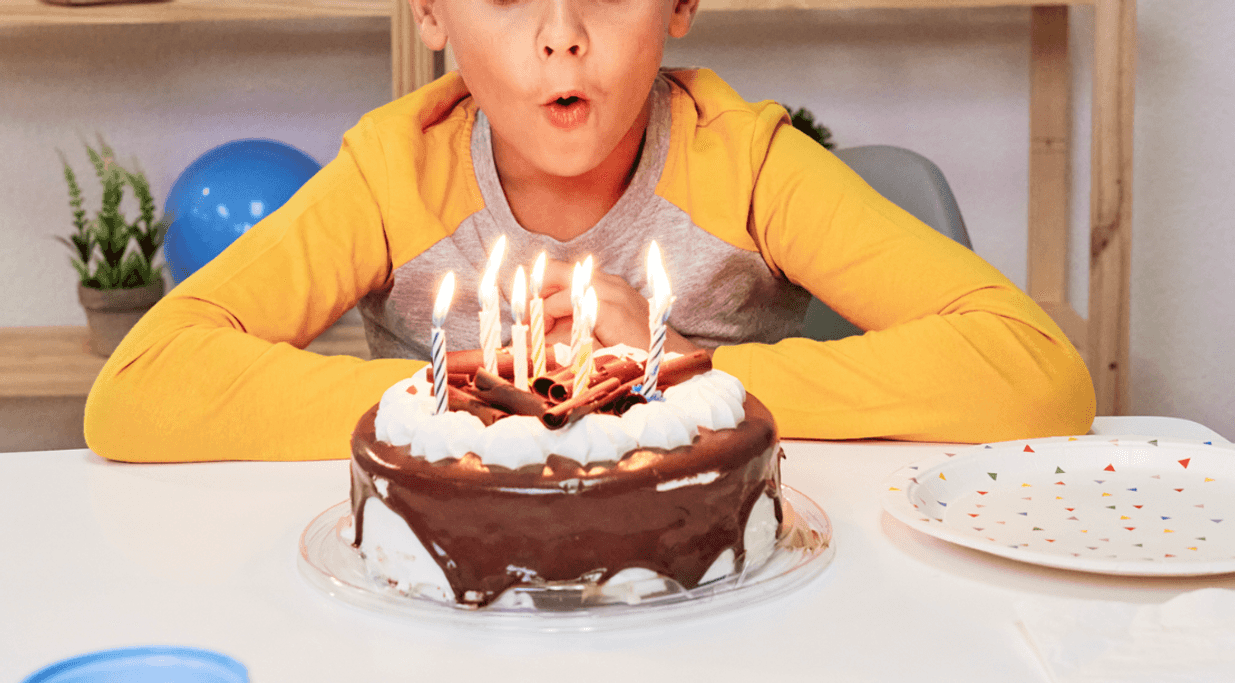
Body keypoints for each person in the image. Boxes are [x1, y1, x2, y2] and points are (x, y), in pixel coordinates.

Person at [84, 0, 1095, 463]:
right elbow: (140, 392)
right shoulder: (397, 173)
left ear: (683, 4)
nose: (561, 33)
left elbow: (1036, 371)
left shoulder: (745, 163)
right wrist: (475, 399)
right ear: (429, 10)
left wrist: (682, 382)